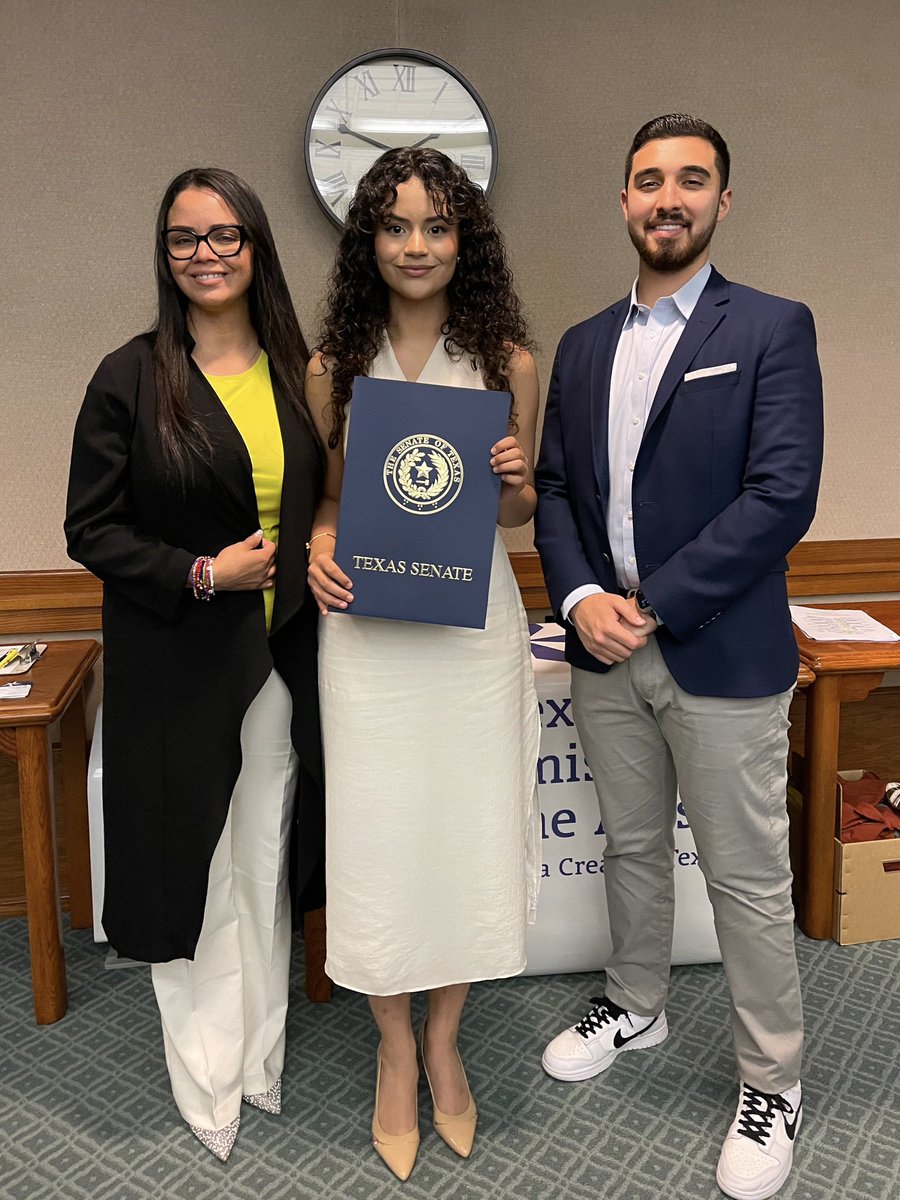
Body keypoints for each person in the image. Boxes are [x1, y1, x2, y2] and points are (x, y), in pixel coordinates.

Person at [534, 114, 823, 1200]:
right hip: (603, 652)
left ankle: (773, 1079)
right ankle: (637, 1004)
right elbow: (558, 492)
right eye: (649, 180)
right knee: (633, 849)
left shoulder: (773, 328)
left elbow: (780, 495)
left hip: (717, 649)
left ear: (722, 205)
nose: (669, 197)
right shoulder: (581, 345)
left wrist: (646, 605)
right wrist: (577, 600)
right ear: (622, 201)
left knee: (748, 881)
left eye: (692, 181)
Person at [65, 168, 324, 1162]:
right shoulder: (129, 376)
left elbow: (326, 502)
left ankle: (258, 1057)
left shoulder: (298, 370)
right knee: (196, 871)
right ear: (164, 255)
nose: (205, 255)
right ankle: (206, 1071)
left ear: (256, 247)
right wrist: (204, 572)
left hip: (280, 658)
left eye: (225, 236)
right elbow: (91, 527)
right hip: (177, 660)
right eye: (184, 239)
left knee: (262, 864)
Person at [306, 147, 540, 1181]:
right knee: (380, 835)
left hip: (468, 631)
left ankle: (445, 1039)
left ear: (465, 242)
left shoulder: (506, 359)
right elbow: (329, 497)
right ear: (370, 240)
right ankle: (393, 1048)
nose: (415, 245)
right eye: (396, 226)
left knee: (462, 831)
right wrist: (318, 542)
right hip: (366, 636)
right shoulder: (330, 368)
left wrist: (519, 479)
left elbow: (518, 517)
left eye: (436, 226)